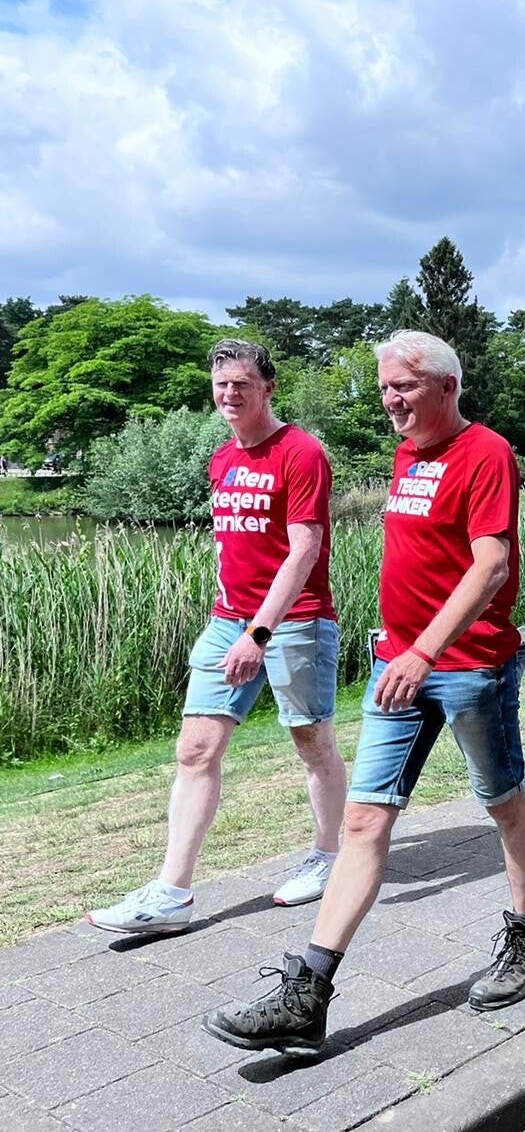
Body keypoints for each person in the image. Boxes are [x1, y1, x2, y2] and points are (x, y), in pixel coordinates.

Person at [202, 331, 525, 1056]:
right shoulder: (406, 454)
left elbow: (491, 566)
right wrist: (404, 647)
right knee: (363, 825)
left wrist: (428, 650)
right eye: (386, 386)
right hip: (401, 664)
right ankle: (309, 993)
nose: (391, 399)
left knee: (503, 800)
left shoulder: (485, 451)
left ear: (448, 387)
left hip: (466, 666)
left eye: (406, 386)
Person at [88, 339, 345, 936]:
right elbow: (235, 545)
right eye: (222, 384)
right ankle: (172, 893)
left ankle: (329, 856)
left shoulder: (301, 453)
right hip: (228, 618)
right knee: (195, 749)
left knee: (312, 742)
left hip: (295, 619)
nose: (230, 394)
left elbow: (304, 549)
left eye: (243, 384)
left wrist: (260, 630)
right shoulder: (222, 459)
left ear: (268, 388)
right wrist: (233, 617)